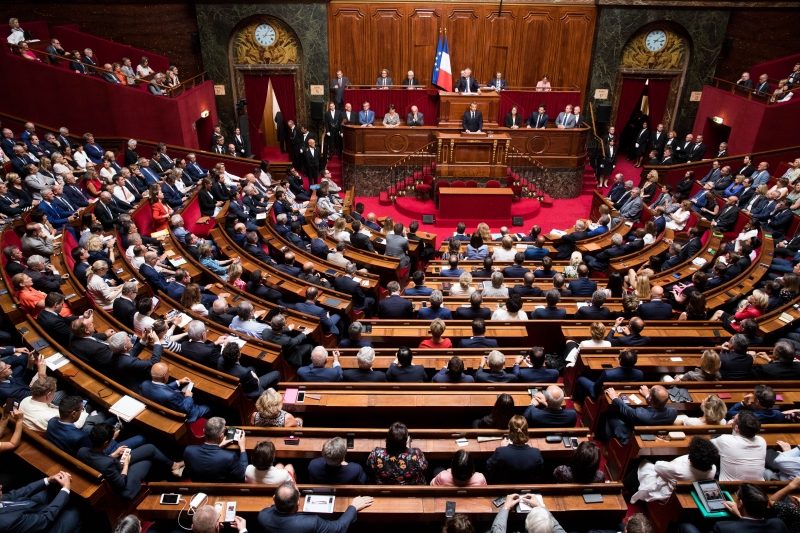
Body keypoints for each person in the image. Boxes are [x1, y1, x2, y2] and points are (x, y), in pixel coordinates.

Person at [78, 423, 183, 500]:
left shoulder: (81, 451)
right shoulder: (107, 464)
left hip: (113, 465)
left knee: (150, 449)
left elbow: (99, 458)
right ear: (106, 443)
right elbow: (121, 484)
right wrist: (126, 465)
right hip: (122, 481)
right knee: (148, 460)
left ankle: (174, 465)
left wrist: (113, 455)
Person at [629, 436, 719, 503]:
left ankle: (624, 487)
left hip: (665, 493)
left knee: (641, 463)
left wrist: (673, 463)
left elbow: (658, 466)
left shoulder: (679, 470)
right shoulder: (713, 469)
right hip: (683, 490)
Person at [258, 481, 373, 533]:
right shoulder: (311, 522)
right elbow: (339, 527)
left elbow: (272, 508)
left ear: (274, 498)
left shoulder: (263, 516)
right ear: (298, 503)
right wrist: (353, 507)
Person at [0, 470, 81, 533]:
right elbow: (44, 518)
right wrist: (65, 489)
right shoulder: (6, 522)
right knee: (74, 513)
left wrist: (49, 480)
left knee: (45, 489)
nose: (1, 486)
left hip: (27, 506)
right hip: (40, 525)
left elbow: (16, 494)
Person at [604, 385, 677, 444]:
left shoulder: (640, 414)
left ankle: (608, 447)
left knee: (610, 417)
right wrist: (647, 396)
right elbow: (658, 405)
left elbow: (625, 409)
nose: (648, 390)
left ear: (650, 398)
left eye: (649, 390)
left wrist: (615, 398)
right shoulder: (673, 413)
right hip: (653, 436)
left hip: (631, 438)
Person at [183, 417, 249, 482]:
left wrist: (219, 446)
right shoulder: (229, 457)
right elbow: (242, 475)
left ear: (203, 431)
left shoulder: (189, 451)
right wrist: (242, 448)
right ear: (221, 436)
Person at [486, 416, 543, 484]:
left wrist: (503, 448)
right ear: (526, 431)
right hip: (528, 487)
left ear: (510, 431)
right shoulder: (536, 453)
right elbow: (539, 472)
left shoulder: (500, 452)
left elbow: (488, 467)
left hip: (505, 488)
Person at [573, 349, 643, 402]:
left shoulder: (608, 374)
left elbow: (595, 387)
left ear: (620, 359)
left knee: (580, 379)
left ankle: (581, 403)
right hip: (624, 393)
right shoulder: (640, 374)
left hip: (601, 395)